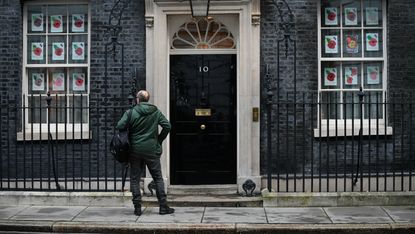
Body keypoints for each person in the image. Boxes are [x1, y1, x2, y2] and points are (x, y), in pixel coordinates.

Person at [116, 90, 174, 216]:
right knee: (158, 178)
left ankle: (137, 208)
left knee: (135, 179)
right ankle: (163, 207)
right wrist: (159, 140)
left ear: (138, 99)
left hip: (135, 150)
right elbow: (167, 126)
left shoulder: (131, 112)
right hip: (151, 150)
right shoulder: (155, 111)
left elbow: (119, 125)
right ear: (148, 100)